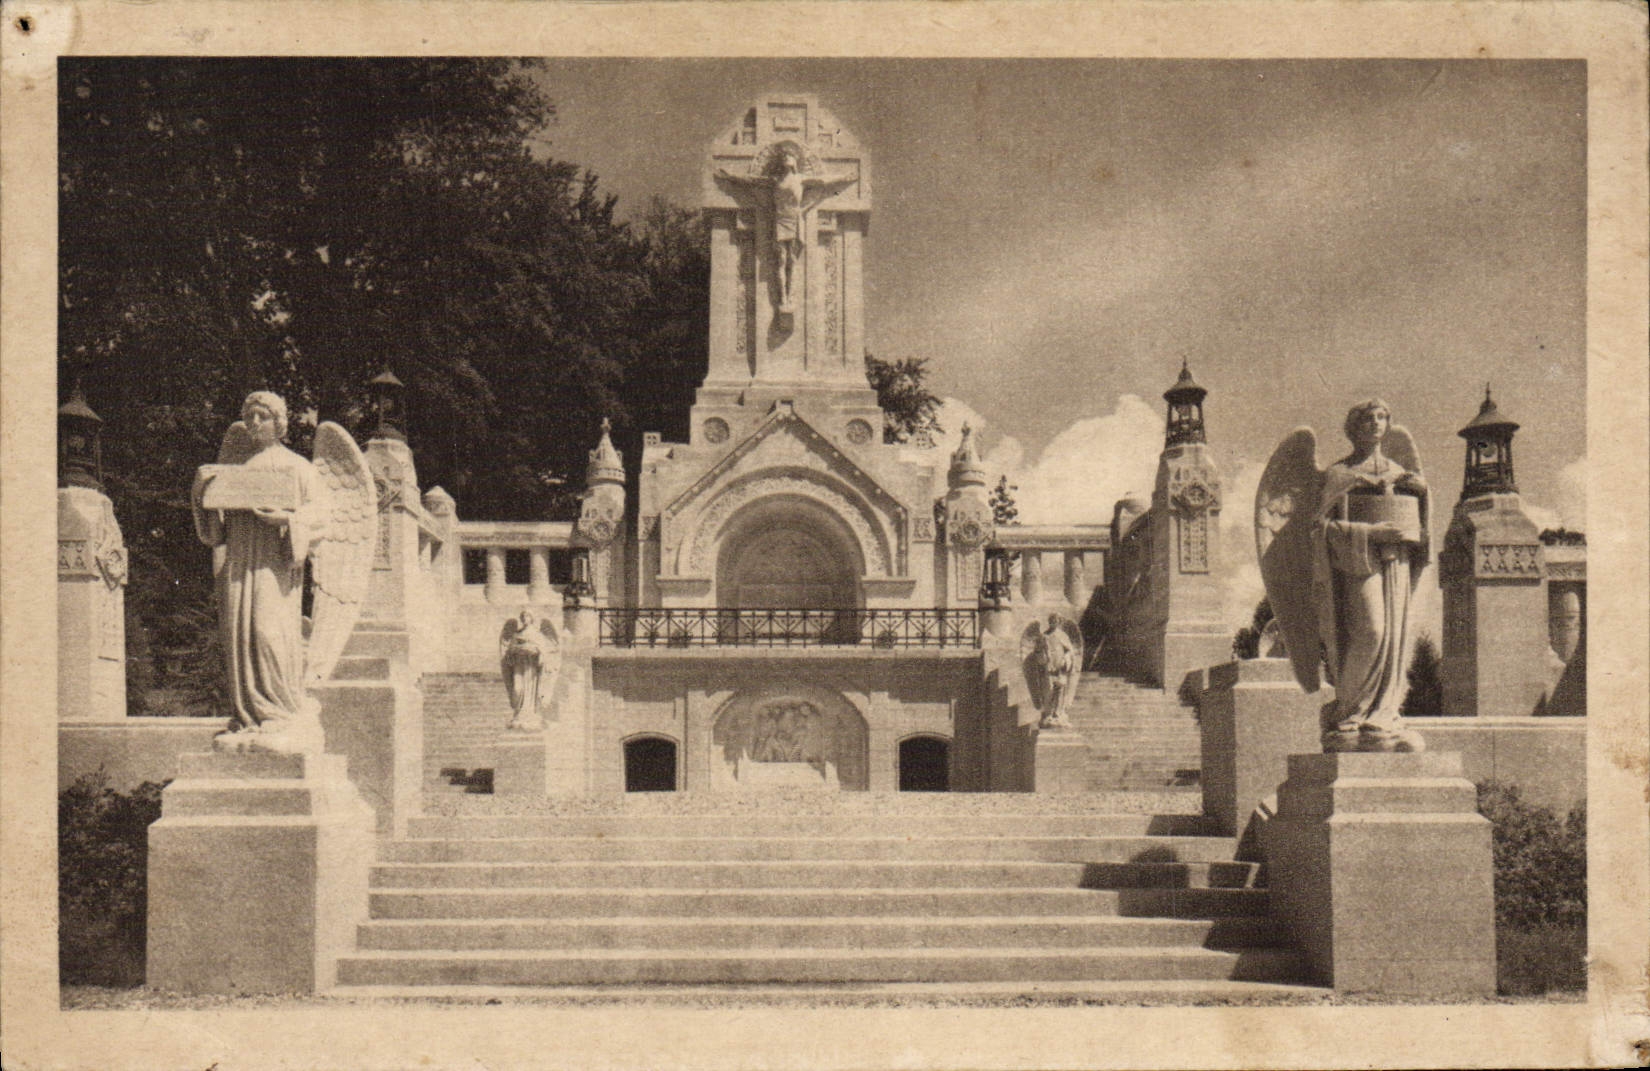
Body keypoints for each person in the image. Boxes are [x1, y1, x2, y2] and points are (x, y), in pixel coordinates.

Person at [191, 391, 328, 744]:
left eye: (262, 416)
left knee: (268, 632)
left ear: (279, 423)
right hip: (239, 562)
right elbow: (215, 534)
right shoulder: (234, 472)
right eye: (250, 416)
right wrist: (201, 492)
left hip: (273, 562)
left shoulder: (298, 467)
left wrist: (287, 518)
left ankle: (280, 712)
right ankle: (248, 717)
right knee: (242, 636)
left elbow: (322, 516)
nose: (254, 422)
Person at [1313, 399, 1429, 750]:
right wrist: (1371, 533)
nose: (1375, 424)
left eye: (1381, 418)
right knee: (1372, 631)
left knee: (1394, 635)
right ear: (1354, 427)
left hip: (1397, 560)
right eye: (1367, 418)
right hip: (1357, 562)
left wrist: (1422, 495)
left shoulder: (1399, 472)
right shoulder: (1339, 474)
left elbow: (1421, 527)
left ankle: (1383, 715)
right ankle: (1349, 713)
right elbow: (1320, 529)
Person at [716, 146, 855, 314]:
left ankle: (790, 297)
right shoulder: (775, 180)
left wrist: (844, 177)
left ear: (795, 162)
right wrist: (730, 176)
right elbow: (752, 180)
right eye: (785, 156)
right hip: (780, 221)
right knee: (781, 260)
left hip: (795, 221)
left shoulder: (801, 179)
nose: (787, 158)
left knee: (792, 261)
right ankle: (782, 299)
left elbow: (823, 181)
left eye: (790, 156)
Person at [1039, 614, 1078, 728]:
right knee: (1049, 691)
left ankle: (1058, 713)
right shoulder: (1044, 636)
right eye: (1051, 620)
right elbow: (1039, 651)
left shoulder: (1062, 636)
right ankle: (1048, 714)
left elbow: (1069, 650)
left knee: (1060, 691)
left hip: (1060, 668)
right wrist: (1044, 659)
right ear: (1049, 621)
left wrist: (1066, 660)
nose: (1053, 622)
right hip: (1049, 668)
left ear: (1059, 622)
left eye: (1055, 620)